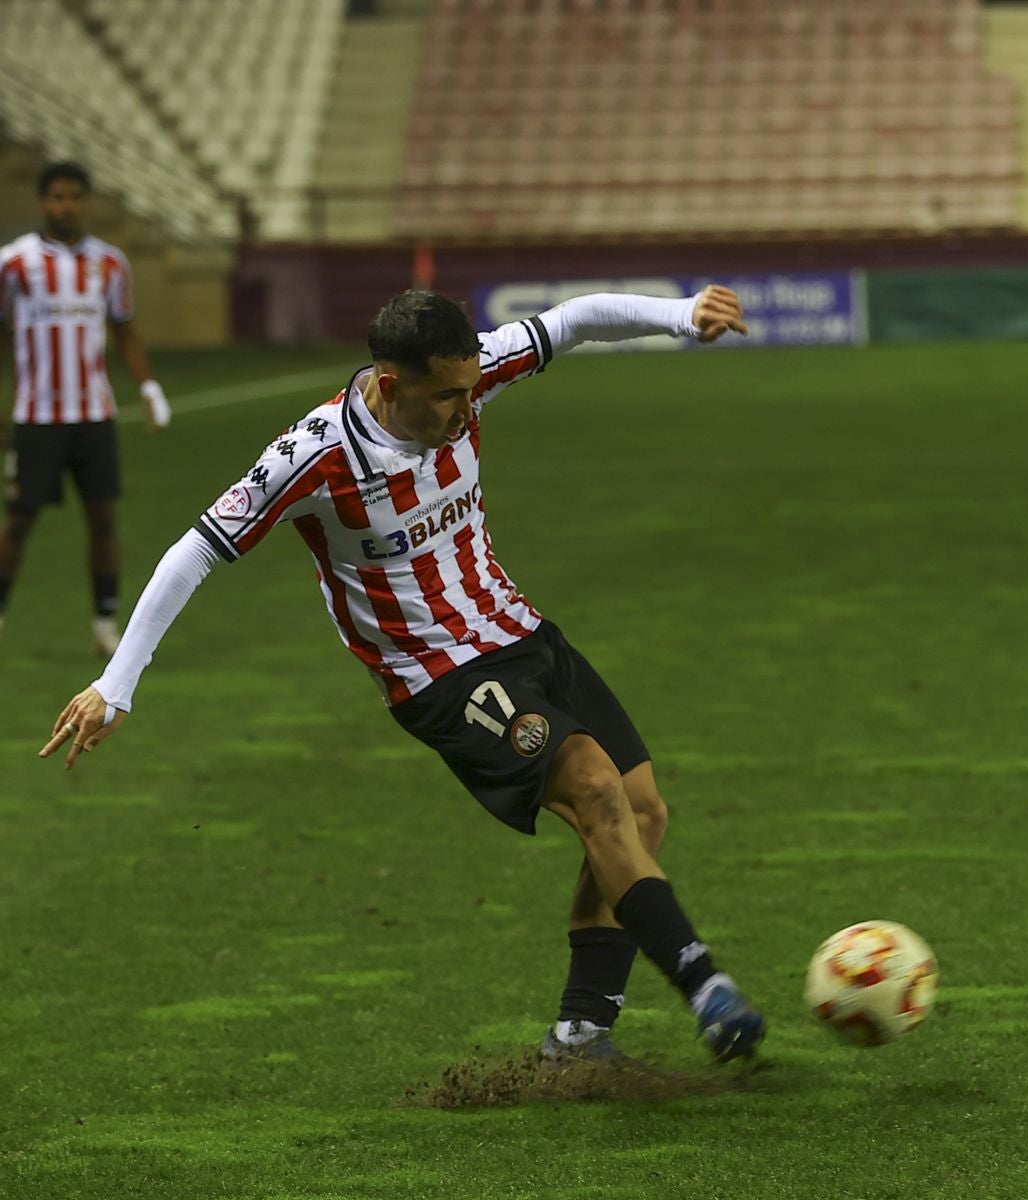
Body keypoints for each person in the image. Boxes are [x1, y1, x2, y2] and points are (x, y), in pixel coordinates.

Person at [40, 286, 767, 1066]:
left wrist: (680, 315)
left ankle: (581, 1033)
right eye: (446, 396)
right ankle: (704, 984)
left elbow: (574, 319)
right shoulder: (315, 455)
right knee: (593, 788)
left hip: (520, 632)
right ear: (391, 385)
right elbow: (197, 550)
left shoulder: (471, 373)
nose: (464, 409)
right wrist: (117, 683)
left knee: (642, 812)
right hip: (436, 677)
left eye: (469, 389)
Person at [0, 161, 171, 656]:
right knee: (18, 520)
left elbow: (124, 328)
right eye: (56, 197)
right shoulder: (14, 263)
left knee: (102, 518)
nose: (65, 206)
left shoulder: (110, 263)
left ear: (86, 202)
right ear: (42, 202)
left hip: (94, 414)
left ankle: (104, 623)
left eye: (74, 197)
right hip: (36, 416)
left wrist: (148, 386)